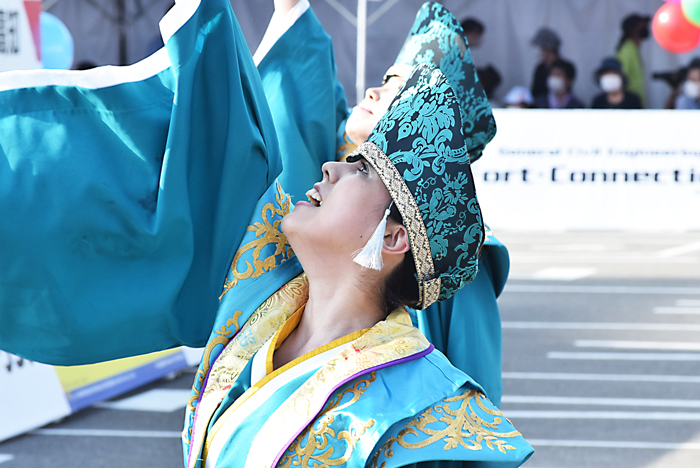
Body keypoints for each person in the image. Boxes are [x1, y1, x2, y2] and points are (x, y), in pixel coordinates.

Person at [0, 0, 536, 465]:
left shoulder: (424, 415)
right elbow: (228, 152)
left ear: (398, 236)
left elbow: (472, 379)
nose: (328, 170)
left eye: (397, 87)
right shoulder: (264, 293)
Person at [255, 1, 508, 406]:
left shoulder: (449, 254)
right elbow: (301, 102)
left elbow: (474, 386)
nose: (372, 91)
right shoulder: (324, 179)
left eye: (397, 92)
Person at [616, 13, 651, 108]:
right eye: (642, 25)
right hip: (630, 106)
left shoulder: (634, 49)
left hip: (637, 104)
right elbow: (621, 80)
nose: (646, 27)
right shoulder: (626, 51)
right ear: (633, 29)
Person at [530, 27, 562, 99]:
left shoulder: (564, 67)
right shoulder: (540, 68)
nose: (539, 50)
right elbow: (534, 92)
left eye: (541, 47)